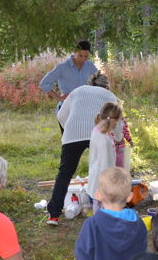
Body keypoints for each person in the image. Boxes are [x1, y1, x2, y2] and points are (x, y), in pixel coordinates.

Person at [47, 70, 119, 225]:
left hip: (73, 134)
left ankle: (54, 215)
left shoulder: (77, 91)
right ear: (106, 86)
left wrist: (70, 131)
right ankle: (109, 207)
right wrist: (118, 138)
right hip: (99, 133)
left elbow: (60, 115)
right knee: (104, 169)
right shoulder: (110, 96)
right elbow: (118, 121)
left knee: (65, 173)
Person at [75, 167, 147, 260]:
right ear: (129, 197)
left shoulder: (91, 225)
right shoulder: (138, 223)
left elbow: (82, 255)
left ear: (98, 195)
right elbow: (142, 252)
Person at [39, 40, 98, 132]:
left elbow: (100, 81)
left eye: (86, 56)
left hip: (85, 109)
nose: (83, 59)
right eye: (80, 56)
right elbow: (44, 84)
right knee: (68, 143)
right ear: (74, 52)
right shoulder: (62, 67)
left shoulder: (89, 65)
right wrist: (59, 98)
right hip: (67, 110)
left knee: (87, 140)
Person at [85, 102, 125, 213]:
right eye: (118, 121)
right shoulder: (103, 139)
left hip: (98, 178)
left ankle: (100, 224)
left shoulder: (97, 130)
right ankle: (102, 226)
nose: (118, 124)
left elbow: (118, 136)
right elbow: (103, 165)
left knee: (99, 207)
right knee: (103, 209)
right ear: (113, 120)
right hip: (102, 182)